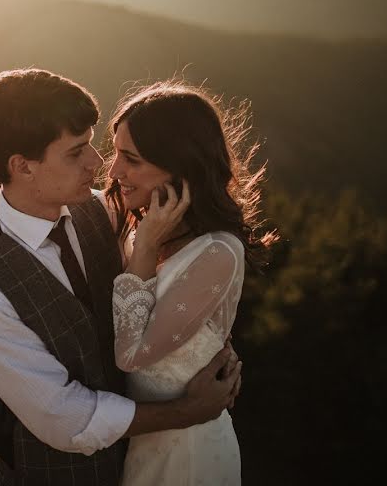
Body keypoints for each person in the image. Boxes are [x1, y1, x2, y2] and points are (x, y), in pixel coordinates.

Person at [0, 69, 242, 486]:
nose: (98, 163)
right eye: (76, 152)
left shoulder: (105, 210)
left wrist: (207, 338)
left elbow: (174, 281)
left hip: (150, 466)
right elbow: (65, 417)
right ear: (22, 167)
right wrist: (187, 412)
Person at [105, 81, 277, 485]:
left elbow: (131, 355)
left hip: (187, 458)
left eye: (130, 159)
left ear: (179, 166)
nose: (113, 171)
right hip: (141, 448)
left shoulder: (216, 253)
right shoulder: (137, 227)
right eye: (115, 154)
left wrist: (145, 248)